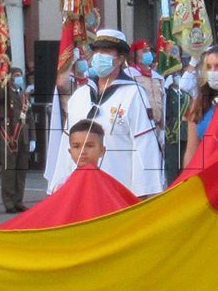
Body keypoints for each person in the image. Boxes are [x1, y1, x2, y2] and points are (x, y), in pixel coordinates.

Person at [51, 119, 122, 291]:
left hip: (102, 263)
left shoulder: (109, 186)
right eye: (76, 146)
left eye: (90, 146)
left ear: (102, 150)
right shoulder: (64, 186)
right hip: (75, 261)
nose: (82, 152)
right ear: (69, 150)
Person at [49, 29, 165, 196]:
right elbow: (67, 144)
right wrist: (59, 184)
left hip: (118, 189)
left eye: (105, 51)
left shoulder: (133, 94)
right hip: (81, 190)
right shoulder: (80, 95)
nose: (98, 56)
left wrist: (142, 193)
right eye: (97, 51)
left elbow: (144, 145)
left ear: (120, 59)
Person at [0, 66, 32, 213]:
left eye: (20, 75)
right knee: (9, 170)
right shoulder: (5, 93)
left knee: (21, 170)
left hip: (23, 137)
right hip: (9, 136)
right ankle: (8, 202)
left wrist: (32, 138)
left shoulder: (23, 95)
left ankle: (18, 200)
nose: (19, 78)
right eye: (16, 75)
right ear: (10, 77)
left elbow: (29, 117)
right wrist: (3, 81)